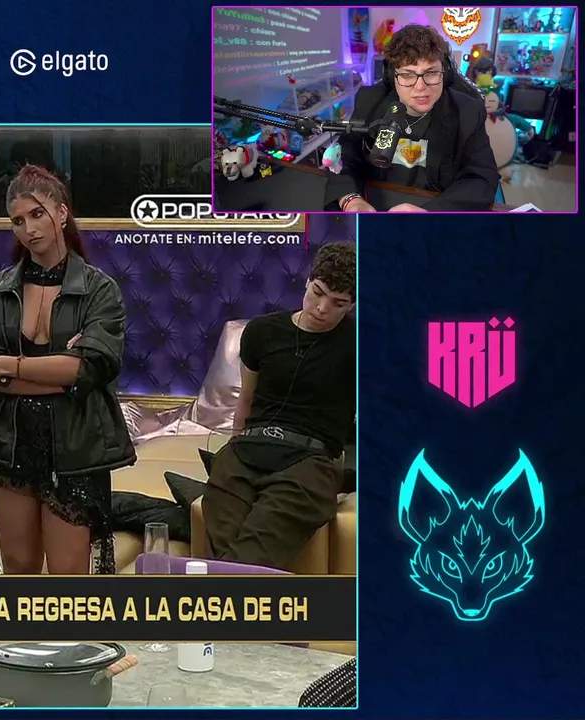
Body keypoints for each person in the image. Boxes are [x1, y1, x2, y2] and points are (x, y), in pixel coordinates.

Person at [0, 165, 136, 575]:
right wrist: (59, 372)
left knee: (68, 572)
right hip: (8, 440)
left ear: (61, 213)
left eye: (37, 214)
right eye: (18, 221)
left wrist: (9, 365)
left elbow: (87, 371)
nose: (28, 229)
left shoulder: (98, 290)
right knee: (19, 565)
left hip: (75, 445)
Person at [202, 242, 356, 570]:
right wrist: (233, 448)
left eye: (338, 303)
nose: (322, 308)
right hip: (247, 450)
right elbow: (246, 399)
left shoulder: (360, 344)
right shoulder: (262, 332)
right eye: (318, 292)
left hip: (311, 461)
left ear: (352, 305)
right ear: (307, 281)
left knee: (254, 547)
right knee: (227, 534)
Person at [325, 24, 499, 212]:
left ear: (445, 73)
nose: (420, 87)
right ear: (392, 77)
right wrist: (351, 200)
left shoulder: (468, 112)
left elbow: (482, 178)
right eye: (408, 75)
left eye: (431, 73)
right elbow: (344, 158)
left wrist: (430, 213)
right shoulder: (370, 102)